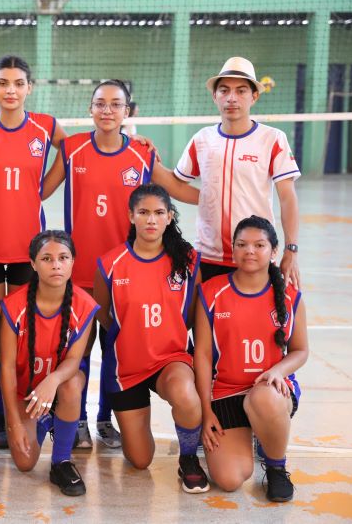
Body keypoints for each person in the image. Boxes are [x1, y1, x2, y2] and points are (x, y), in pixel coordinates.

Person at [42, 80, 199, 449]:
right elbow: (39, 188)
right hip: (78, 274)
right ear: (90, 109)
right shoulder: (71, 149)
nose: (107, 110)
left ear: (128, 112)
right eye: (100, 104)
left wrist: (227, 197)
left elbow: (175, 190)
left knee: (115, 350)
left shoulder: (142, 155)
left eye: (116, 104)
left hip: (125, 275)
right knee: (76, 352)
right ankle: (76, 419)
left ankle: (104, 418)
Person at [0, 55, 68, 449]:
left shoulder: (46, 126)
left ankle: (40, 407)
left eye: (19, 83)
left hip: (32, 251)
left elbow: (74, 148)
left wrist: (45, 188)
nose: (11, 90)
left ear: (30, 88)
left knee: (32, 334)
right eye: (3, 83)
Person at [93, 184, 209, 493]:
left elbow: (193, 316)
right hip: (127, 367)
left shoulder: (187, 261)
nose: (151, 220)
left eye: (159, 213)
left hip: (170, 359)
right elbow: (104, 316)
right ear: (130, 216)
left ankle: (188, 457)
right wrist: (132, 333)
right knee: (140, 459)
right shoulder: (110, 264)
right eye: (143, 212)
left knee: (185, 394)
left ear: (170, 217)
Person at [194, 215, 308, 502]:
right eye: (242, 244)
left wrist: (279, 371)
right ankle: (253, 433)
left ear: (274, 251)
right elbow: (204, 355)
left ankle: (276, 466)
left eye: (259, 245)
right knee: (230, 480)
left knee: (263, 399)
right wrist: (206, 412)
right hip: (225, 391)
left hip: (270, 391)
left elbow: (300, 350)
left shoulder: (290, 296)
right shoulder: (211, 292)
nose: (250, 251)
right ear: (232, 250)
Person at [173, 57, 301, 287]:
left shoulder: (273, 139)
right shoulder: (202, 139)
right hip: (208, 256)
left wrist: (291, 248)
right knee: (205, 322)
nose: (232, 98)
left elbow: (287, 197)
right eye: (224, 90)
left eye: (241, 91)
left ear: (254, 96)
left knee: (254, 322)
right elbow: (177, 184)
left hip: (255, 256)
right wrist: (142, 153)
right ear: (215, 96)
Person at [0, 230, 99, 496]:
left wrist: (52, 380)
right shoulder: (14, 306)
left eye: (63, 257)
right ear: (33, 264)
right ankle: (44, 420)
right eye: (47, 258)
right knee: (25, 463)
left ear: (73, 262)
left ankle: (61, 461)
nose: (56, 264)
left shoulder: (85, 305)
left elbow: (74, 360)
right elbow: (7, 368)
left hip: (56, 386)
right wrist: (15, 423)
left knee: (71, 384)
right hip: (26, 392)